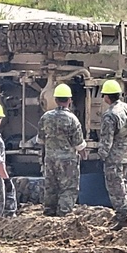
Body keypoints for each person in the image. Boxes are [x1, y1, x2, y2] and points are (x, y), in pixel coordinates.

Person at [37, 83, 86, 217]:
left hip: (50, 158)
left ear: (56, 100)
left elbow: (40, 140)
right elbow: (78, 143)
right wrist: (84, 154)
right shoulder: (73, 119)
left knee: (51, 186)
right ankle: (64, 215)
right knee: (68, 188)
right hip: (67, 160)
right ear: (69, 100)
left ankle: (49, 212)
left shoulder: (46, 117)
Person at [99, 79, 127, 231]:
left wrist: (102, 154)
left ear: (107, 97)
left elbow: (107, 139)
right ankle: (124, 211)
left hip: (114, 155)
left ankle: (123, 217)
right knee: (122, 181)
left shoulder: (109, 115)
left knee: (115, 186)